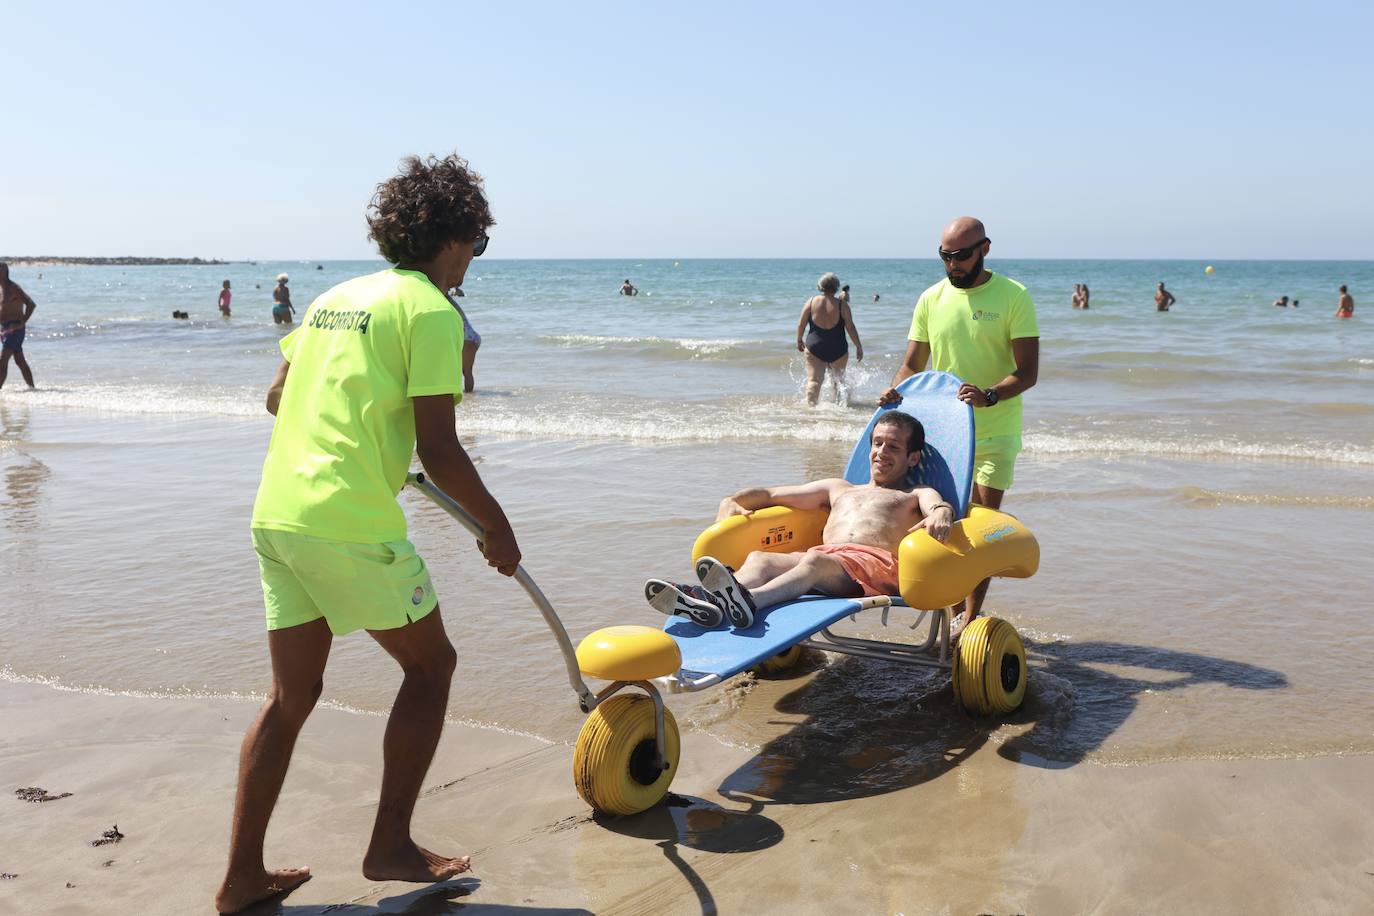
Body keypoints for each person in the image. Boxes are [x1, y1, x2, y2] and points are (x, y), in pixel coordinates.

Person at [215, 154, 519, 915]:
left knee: (292, 695)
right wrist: (497, 527)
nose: (471, 263)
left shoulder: (332, 298)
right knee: (432, 666)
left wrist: (349, 430)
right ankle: (389, 845)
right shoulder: (432, 311)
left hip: (278, 513)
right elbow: (439, 448)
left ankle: (241, 878)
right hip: (347, 522)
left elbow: (277, 398)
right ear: (454, 237)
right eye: (476, 245)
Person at [876, 216, 1039, 636]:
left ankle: (969, 618)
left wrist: (990, 395)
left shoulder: (1013, 296)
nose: (953, 264)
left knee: (979, 523)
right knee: (942, 519)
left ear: (984, 248)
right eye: (945, 256)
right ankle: (950, 616)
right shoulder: (931, 298)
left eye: (961, 255)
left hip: (995, 430)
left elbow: (1028, 372)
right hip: (944, 433)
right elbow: (912, 364)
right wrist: (896, 393)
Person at [644, 412, 952, 628]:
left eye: (894, 447)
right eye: (878, 443)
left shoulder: (914, 493)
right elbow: (771, 494)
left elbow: (937, 506)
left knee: (813, 564)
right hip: (828, 560)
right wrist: (732, 500)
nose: (881, 452)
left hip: (873, 569)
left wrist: (941, 512)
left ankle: (749, 602)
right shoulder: (837, 488)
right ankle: (710, 603)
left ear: (912, 458)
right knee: (760, 559)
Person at [796, 272, 863, 407]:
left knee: (814, 380)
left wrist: (799, 339)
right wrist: (858, 345)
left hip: (815, 347)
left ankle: (811, 409)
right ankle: (840, 409)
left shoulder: (811, 302)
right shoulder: (842, 305)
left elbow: (801, 324)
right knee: (838, 381)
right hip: (838, 348)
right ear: (836, 287)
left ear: (820, 286)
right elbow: (850, 327)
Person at [0, 262, 38, 390]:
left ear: (4, 273)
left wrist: (23, 322)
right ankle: (32, 389)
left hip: (15, 330)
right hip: (5, 330)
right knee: (19, 361)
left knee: (3, 359)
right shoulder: (1, 289)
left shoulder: (13, 288)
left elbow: (31, 304)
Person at [445, 288, 481, 393]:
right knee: (465, 371)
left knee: (467, 372)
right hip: (470, 337)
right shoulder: (449, 302)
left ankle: (469, 397)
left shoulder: (446, 301)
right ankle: (469, 396)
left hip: (468, 338)